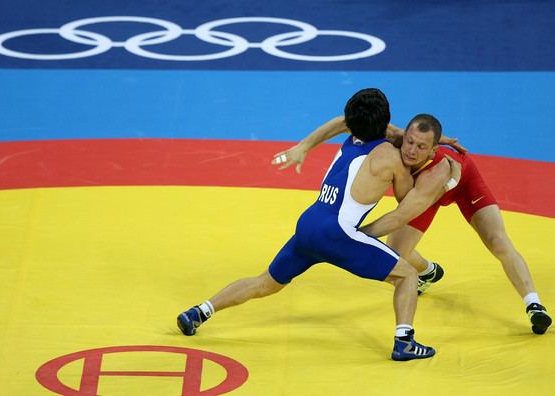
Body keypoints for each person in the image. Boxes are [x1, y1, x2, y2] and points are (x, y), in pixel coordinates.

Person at [177, 88, 461, 361]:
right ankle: (405, 342)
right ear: (387, 124)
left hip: (308, 226)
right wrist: (443, 179)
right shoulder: (391, 159)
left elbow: (339, 123)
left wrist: (304, 146)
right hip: (337, 234)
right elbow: (408, 202)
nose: (410, 148)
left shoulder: (350, 137)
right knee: (408, 276)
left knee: (265, 282)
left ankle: (199, 312)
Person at [273, 113, 552, 335]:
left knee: (497, 241)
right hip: (421, 194)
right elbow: (346, 122)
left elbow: (397, 217)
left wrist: (346, 239)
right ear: (403, 135)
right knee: (398, 251)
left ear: (433, 150)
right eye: (410, 142)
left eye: (421, 147)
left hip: (461, 183)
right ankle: (428, 272)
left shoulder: (436, 173)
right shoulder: (395, 137)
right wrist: (303, 146)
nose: (411, 151)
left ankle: (533, 304)